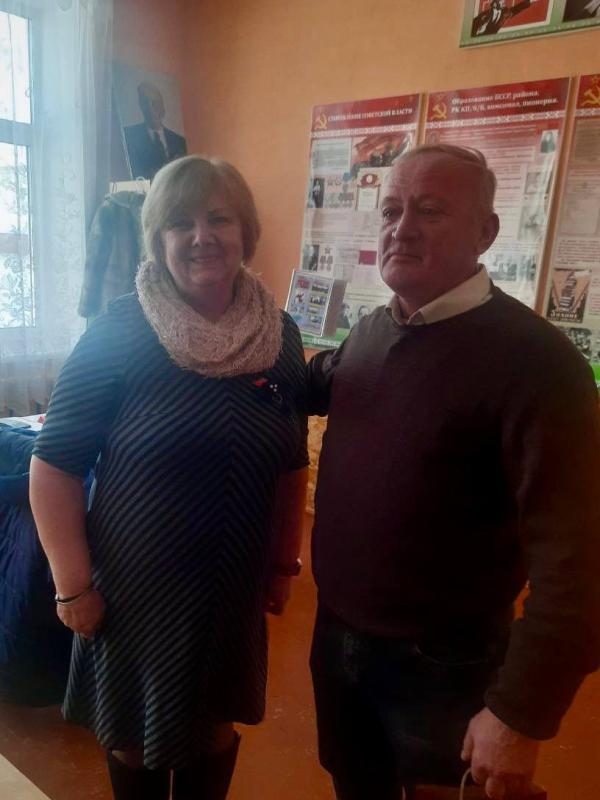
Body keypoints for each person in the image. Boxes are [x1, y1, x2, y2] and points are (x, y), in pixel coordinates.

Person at [307, 144, 600, 800]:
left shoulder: (539, 364)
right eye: (390, 211)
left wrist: (519, 712)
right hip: (338, 640)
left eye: (430, 211)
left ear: (486, 232)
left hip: (447, 666)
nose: (401, 228)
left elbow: (579, 566)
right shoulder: (371, 332)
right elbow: (311, 382)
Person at [30, 155, 308, 800]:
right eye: (179, 223)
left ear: (246, 232)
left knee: (213, 726)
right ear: (157, 240)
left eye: (219, 218)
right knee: (134, 735)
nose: (201, 236)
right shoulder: (119, 332)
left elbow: (291, 460)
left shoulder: (278, 336)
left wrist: (282, 565)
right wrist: (72, 588)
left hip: (232, 584)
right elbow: (54, 465)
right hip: (135, 589)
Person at [124, 82, 187, 180]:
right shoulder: (129, 136)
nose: (150, 108)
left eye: (154, 103)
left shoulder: (179, 141)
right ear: (141, 106)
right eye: (145, 103)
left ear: (162, 106)